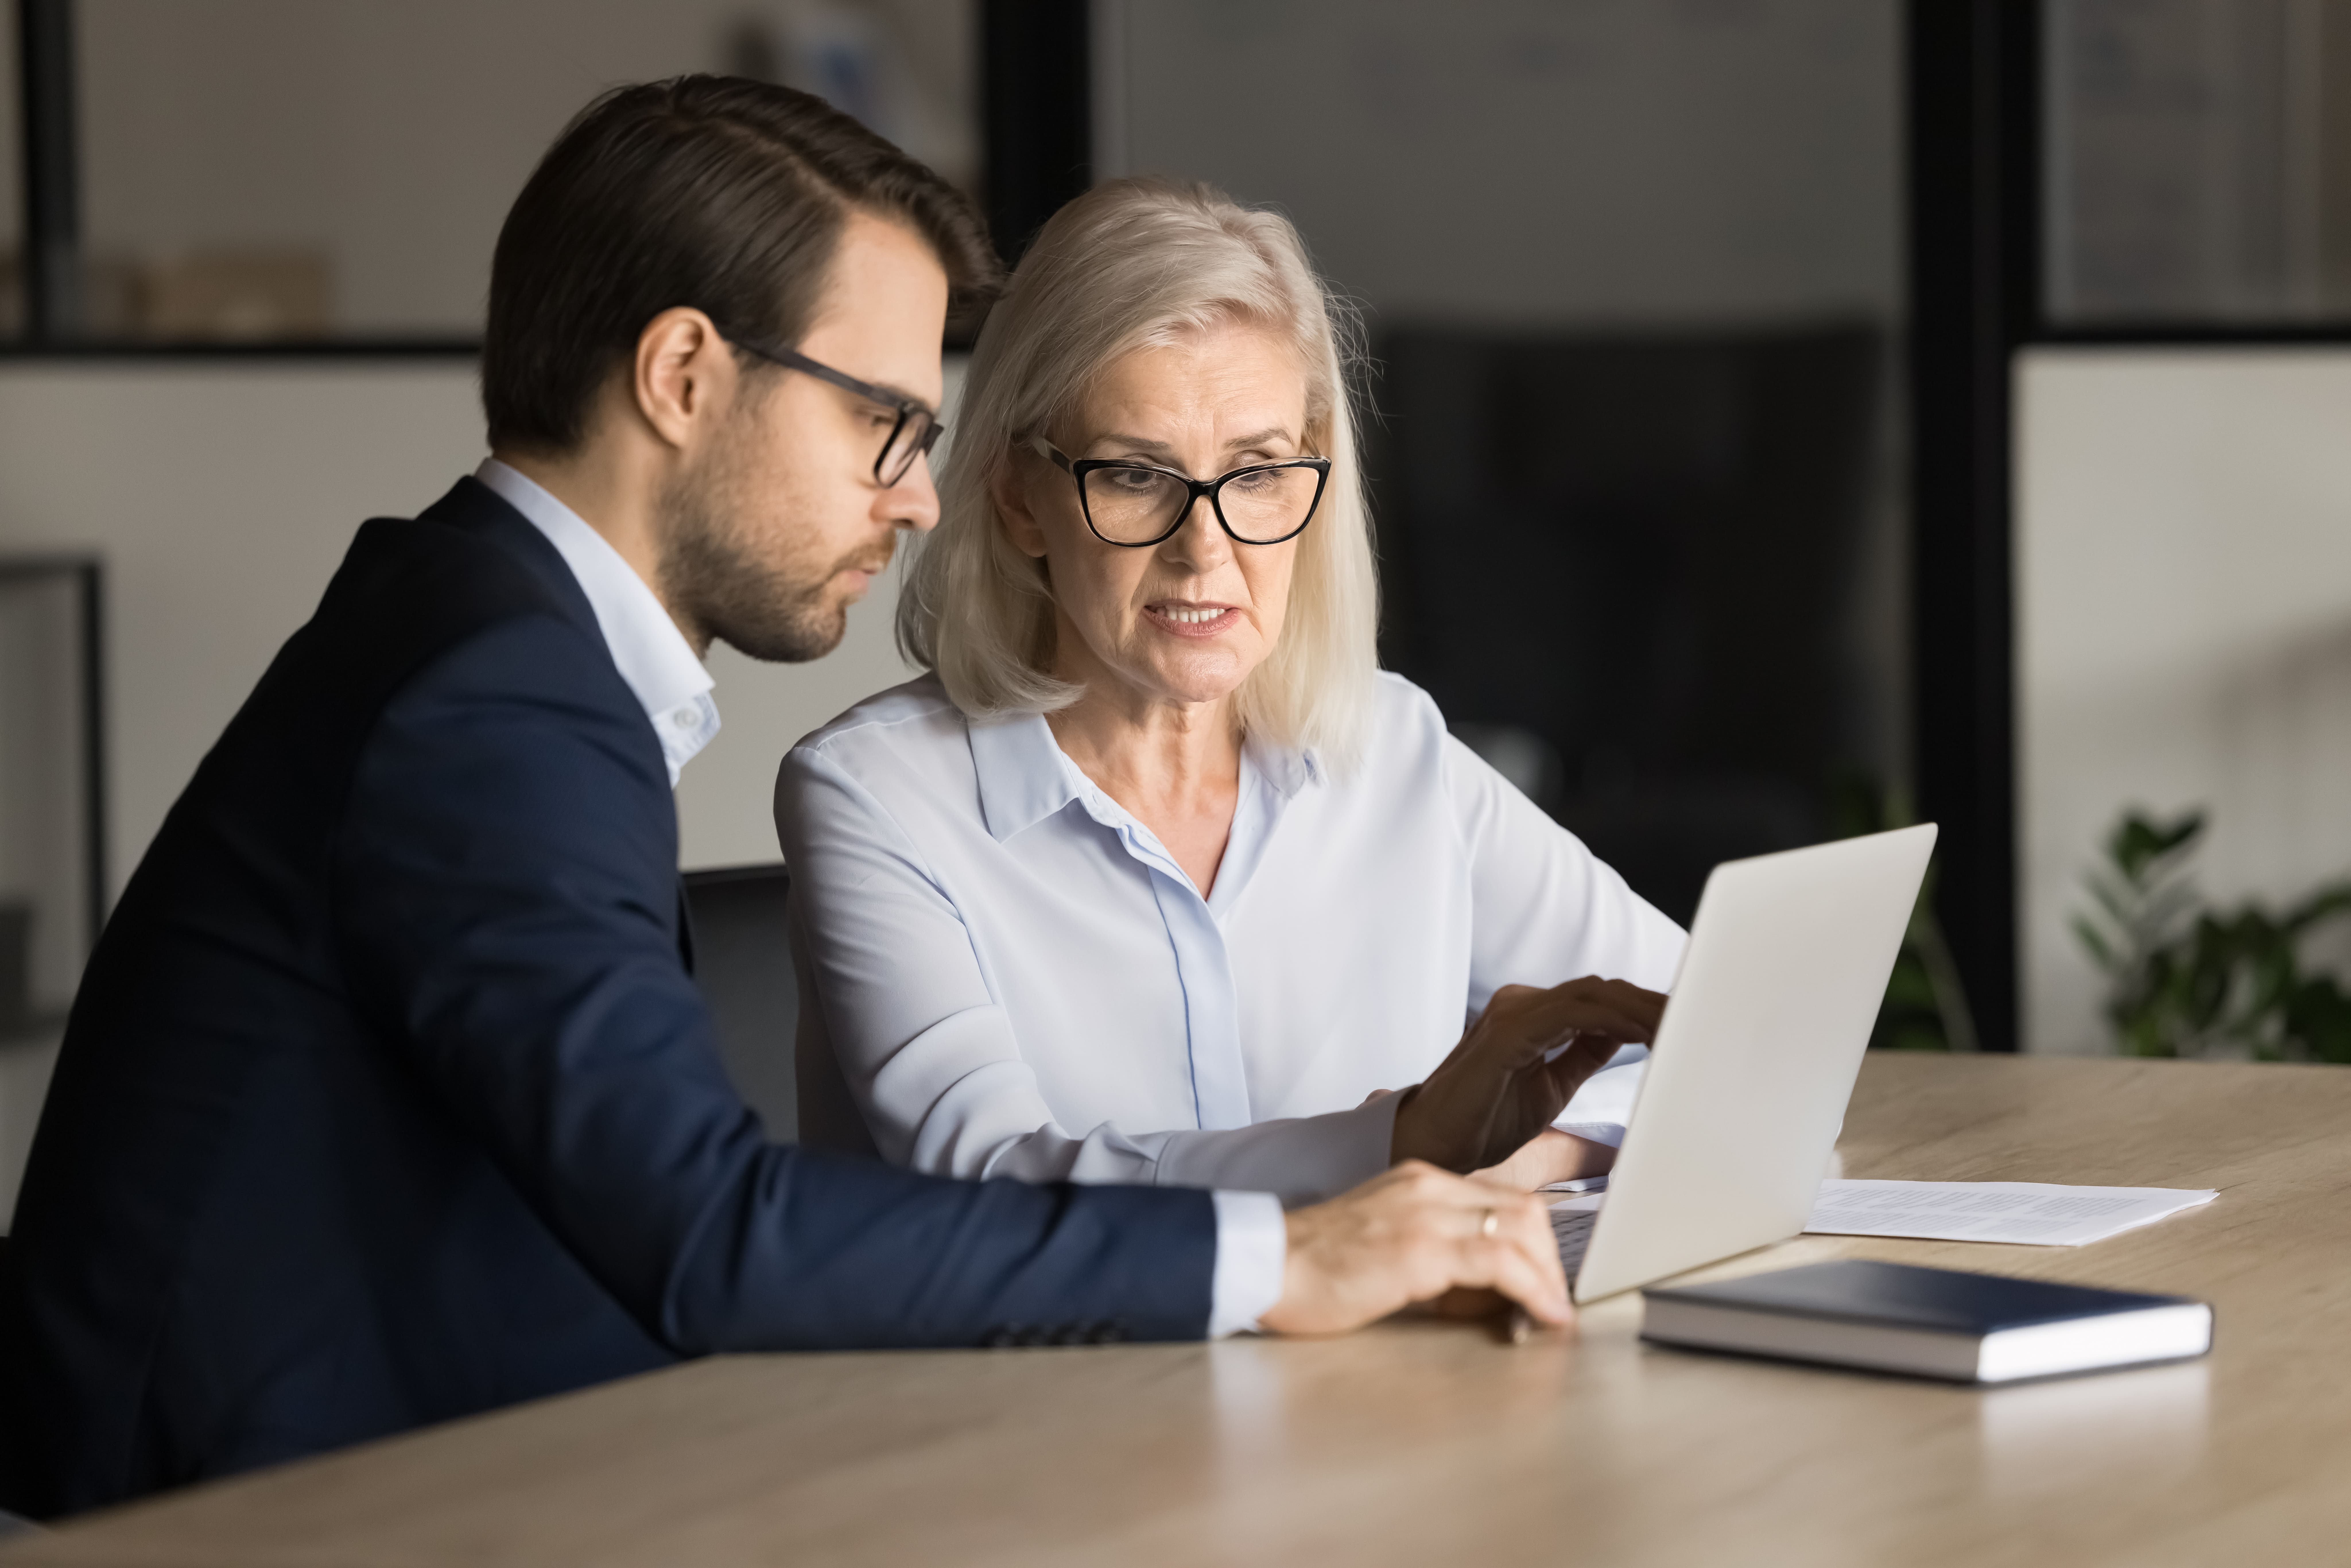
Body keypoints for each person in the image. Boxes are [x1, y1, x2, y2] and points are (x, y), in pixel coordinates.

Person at [0, 81, 1578, 1521]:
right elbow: (709, 1236)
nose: (912, 492)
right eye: (878, 421)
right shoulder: (495, 701)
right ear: (685, 375)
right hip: (215, 1517)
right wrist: (1289, 1253)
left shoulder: (479, 637)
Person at [777, 178, 1685, 1207]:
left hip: (1383, 1364)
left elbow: (1709, 1033)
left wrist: (1534, 1154)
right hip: (1043, 1371)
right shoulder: (875, 794)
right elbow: (997, 1177)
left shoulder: (1391, 746)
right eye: (1133, 475)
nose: (1203, 549)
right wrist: (1408, 1147)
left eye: (1256, 474)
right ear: (1021, 499)